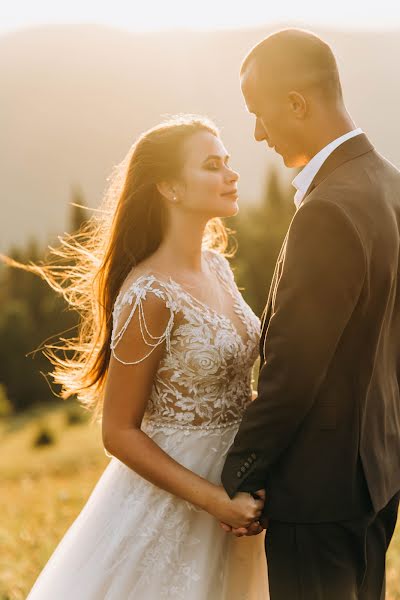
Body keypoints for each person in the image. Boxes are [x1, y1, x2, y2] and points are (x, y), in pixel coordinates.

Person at [24, 115, 269, 599]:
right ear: (170, 188)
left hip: (241, 487)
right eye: (212, 165)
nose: (231, 174)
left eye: (228, 162)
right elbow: (118, 431)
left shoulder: (219, 268)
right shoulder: (149, 293)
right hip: (181, 499)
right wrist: (214, 502)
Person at [221, 28, 400, 600]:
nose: (257, 133)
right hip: (377, 476)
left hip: (319, 492)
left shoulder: (328, 210)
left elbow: (293, 373)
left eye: (259, 113)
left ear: (297, 104)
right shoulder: (389, 185)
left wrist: (239, 472)